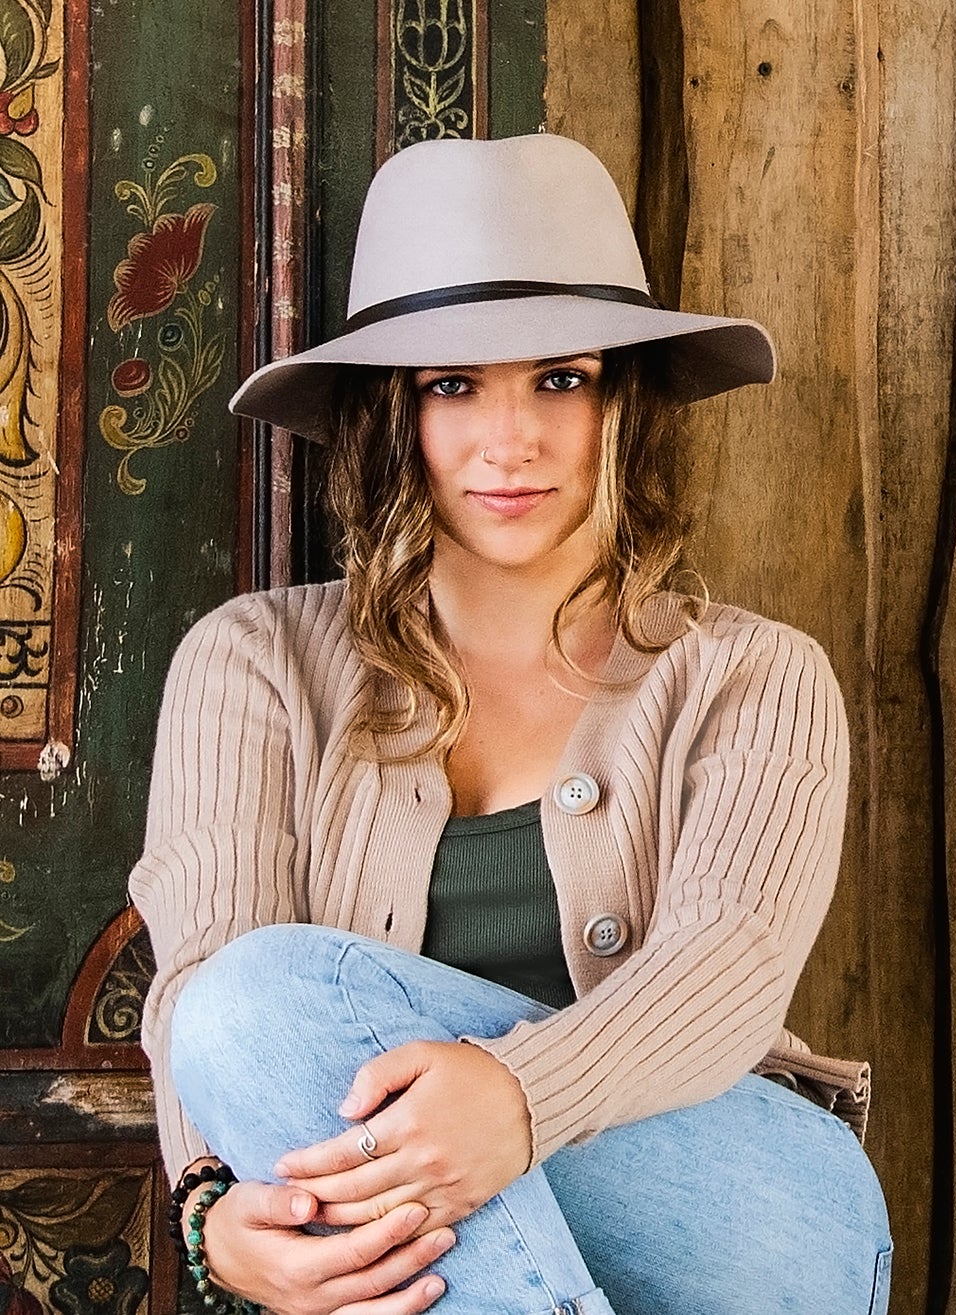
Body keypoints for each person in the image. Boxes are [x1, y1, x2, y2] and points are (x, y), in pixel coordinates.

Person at [129, 133, 891, 1315]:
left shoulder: (751, 675)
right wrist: (214, 1210)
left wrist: (516, 1098)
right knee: (242, 1000)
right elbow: (205, 1003)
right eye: (452, 385)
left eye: (559, 378)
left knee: (257, 1004)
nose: (510, 440)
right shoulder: (255, 663)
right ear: (394, 417)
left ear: (621, 400)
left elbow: (724, 974)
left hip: (746, 1213)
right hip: (430, 1253)